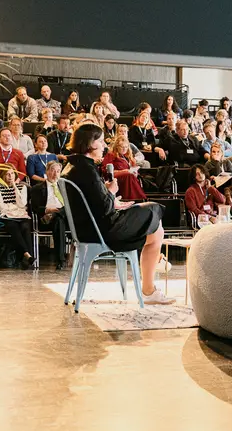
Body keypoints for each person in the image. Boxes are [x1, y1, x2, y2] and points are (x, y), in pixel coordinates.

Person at [62, 124, 173, 304]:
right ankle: (149, 286)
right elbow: (104, 208)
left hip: (87, 229)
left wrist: (109, 197)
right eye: (100, 141)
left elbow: (93, 202)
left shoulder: (72, 166)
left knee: (155, 230)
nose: (104, 146)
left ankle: (151, 279)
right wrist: (111, 192)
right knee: (154, 210)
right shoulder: (87, 169)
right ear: (90, 143)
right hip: (103, 230)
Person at [0, 167, 36, 269]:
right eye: (7, 174)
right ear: (3, 176)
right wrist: (13, 208)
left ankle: (26, 257)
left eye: (12, 173)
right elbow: (1, 207)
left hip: (21, 214)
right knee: (13, 227)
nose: (10, 176)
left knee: (25, 227)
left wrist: (15, 188)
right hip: (7, 216)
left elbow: (22, 204)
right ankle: (27, 255)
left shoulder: (22, 187)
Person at [29, 161, 68, 270]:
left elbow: (71, 206)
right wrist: (47, 210)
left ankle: (55, 214)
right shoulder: (37, 188)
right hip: (46, 220)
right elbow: (34, 208)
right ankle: (61, 260)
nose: (55, 174)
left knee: (59, 216)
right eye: (52, 170)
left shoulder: (65, 188)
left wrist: (56, 212)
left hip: (65, 217)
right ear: (46, 171)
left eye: (58, 171)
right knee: (58, 221)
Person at [101, 136, 146, 201]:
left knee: (132, 176)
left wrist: (134, 171)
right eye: (122, 147)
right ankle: (137, 199)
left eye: (126, 147)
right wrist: (125, 171)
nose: (124, 149)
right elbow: (107, 172)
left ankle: (140, 199)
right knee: (129, 176)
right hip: (115, 180)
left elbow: (133, 170)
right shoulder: (110, 155)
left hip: (127, 179)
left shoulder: (127, 156)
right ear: (117, 146)